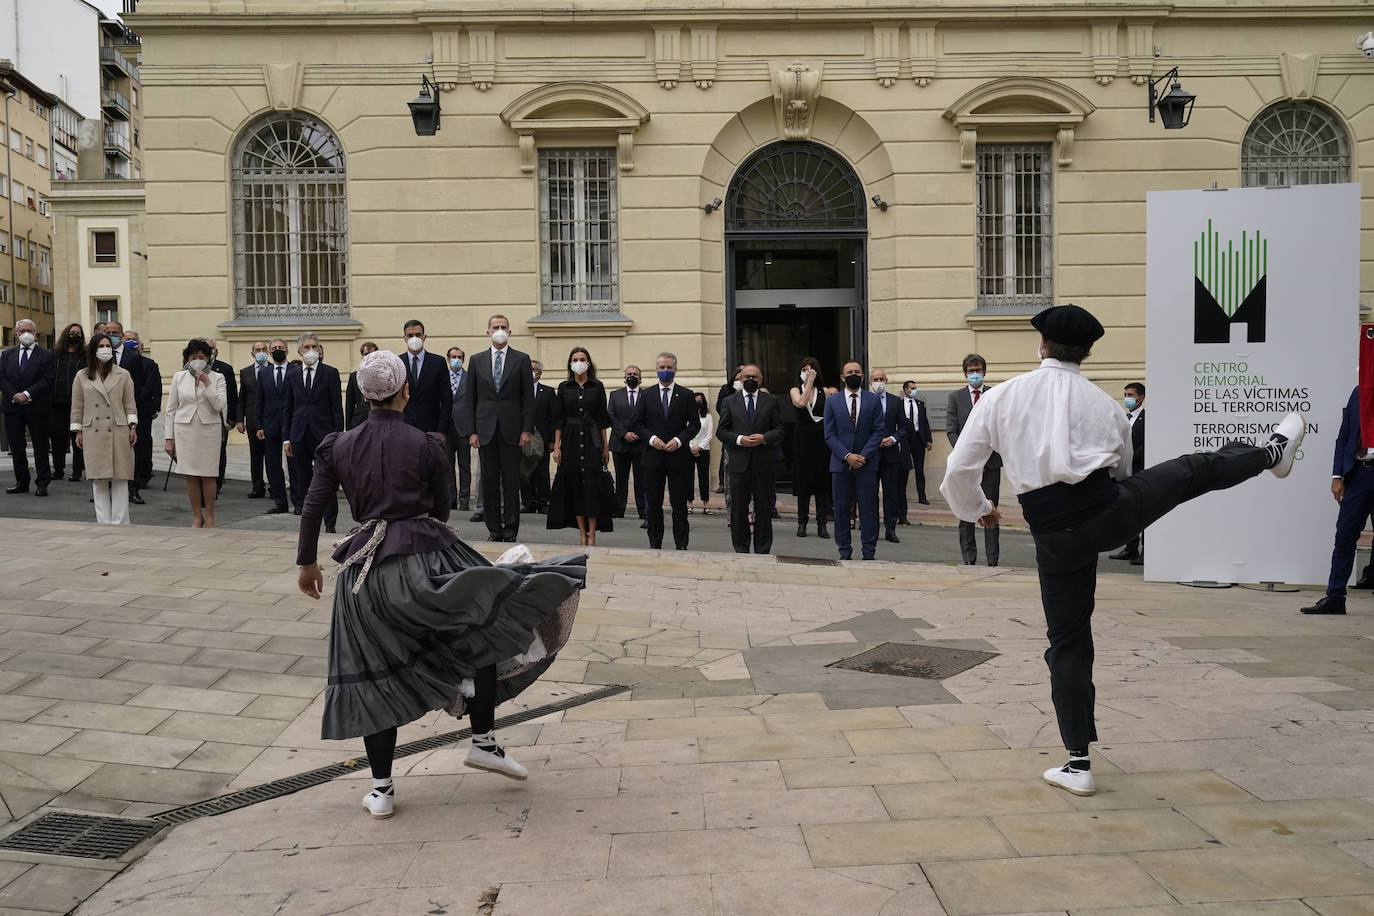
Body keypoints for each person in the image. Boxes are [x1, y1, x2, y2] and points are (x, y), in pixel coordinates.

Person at [941, 304, 1304, 796]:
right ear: (1088, 352)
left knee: (1067, 642)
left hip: (1051, 535)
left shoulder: (1001, 397)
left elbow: (958, 472)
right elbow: (1125, 473)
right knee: (1194, 470)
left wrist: (979, 508)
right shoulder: (1107, 404)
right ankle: (1269, 454)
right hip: (1107, 513)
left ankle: (1077, 762)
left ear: (1041, 344)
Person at [296, 349, 587, 820]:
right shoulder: (426, 443)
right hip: (426, 551)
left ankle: (382, 788)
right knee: (484, 627)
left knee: (374, 672)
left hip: (364, 570)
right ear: (405, 392)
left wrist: (308, 563)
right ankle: (484, 739)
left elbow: (313, 506)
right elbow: (441, 504)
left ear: (364, 396)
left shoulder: (339, 445)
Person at [459, 314, 535, 543]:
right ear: (488, 332)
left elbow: (527, 399)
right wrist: (471, 431)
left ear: (509, 332)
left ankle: (510, 529)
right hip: (485, 430)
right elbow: (470, 399)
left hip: (512, 430)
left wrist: (526, 430)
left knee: (511, 482)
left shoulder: (521, 359)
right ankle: (494, 529)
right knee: (489, 482)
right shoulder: (477, 360)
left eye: (503, 327)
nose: (499, 330)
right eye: (495, 327)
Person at [1303, 383, 1372, 616]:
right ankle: (1335, 597)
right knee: (1344, 535)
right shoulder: (1359, 391)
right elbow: (1344, 437)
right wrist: (1337, 475)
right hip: (1359, 474)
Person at [548, 347, 615, 546]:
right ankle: (581, 532)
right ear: (570, 363)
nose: (579, 362)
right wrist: (557, 447)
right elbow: (559, 420)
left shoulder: (597, 386)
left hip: (592, 440)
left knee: (592, 486)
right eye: (575, 359)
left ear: (588, 362)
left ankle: (592, 533)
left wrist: (605, 447)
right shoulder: (564, 387)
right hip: (570, 440)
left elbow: (602, 419)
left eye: (582, 359)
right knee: (575, 485)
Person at [634, 352, 700, 551]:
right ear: (656, 369)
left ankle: (681, 544)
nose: (665, 371)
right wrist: (652, 439)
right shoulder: (646, 394)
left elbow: (694, 425)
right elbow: (637, 423)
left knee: (679, 505)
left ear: (675, 369)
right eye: (662, 368)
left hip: (678, 458)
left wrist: (679, 440)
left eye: (669, 368)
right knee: (653, 504)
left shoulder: (686, 395)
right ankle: (655, 543)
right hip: (652, 457)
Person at [717, 363, 784, 554]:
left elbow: (780, 429)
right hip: (739, 463)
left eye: (754, 377)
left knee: (763, 508)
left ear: (761, 379)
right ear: (739, 379)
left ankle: (763, 548)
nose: (750, 380)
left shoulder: (771, 400)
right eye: (746, 377)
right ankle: (741, 548)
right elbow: (721, 431)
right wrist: (739, 439)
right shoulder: (729, 401)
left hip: (763, 463)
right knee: (738, 509)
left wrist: (764, 438)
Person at [70, 333, 137, 524]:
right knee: (98, 479)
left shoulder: (123, 374)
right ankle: (103, 522)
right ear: (93, 349)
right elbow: (77, 406)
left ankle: (120, 522)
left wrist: (132, 427)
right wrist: (78, 431)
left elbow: (129, 404)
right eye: (101, 346)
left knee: (120, 478)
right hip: (93, 431)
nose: (105, 349)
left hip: (119, 429)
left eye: (108, 345)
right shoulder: (81, 376)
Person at [165, 339, 229, 528]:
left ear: (208, 359)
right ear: (187, 359)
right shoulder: (179, 377)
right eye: (194, 357)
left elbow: (219, 404)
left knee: (209, 475)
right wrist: (169, 438)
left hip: (209, 429)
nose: (198, 360)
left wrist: (207, 382)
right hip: (185, 429)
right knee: (190, 475)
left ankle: (210, 517)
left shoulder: (218, 378)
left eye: (202, 357)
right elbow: (171, 409)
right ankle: (196, 516)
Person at [284, 333, 344, 533]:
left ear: (319, 349)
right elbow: (288, 408)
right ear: (299, 351)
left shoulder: (330, 373)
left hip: (324, 434)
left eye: (314, 347)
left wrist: (337, 436)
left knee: (326, 479)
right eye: (307, 347)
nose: (311, 351)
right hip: (299, 434)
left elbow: (337, 407)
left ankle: (330, 524)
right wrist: (287, 438)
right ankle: (309, 521)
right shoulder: (292, 375)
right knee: (303, 479)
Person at [824, 361, 883, 561]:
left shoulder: (873, 401)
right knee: (841, 509)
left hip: (867, 464)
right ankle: (844, 551)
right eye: (849, 372)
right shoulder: (832, 402)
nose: (853, 375)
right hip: (840, 464)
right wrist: (847, 455)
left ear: (863, 376)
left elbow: (878, 431)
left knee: (868, 509)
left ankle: (869, 552)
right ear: (842, 377)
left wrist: (863, 455)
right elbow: (829, 434)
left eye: (857, 372)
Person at [946, 354, 1001, 567]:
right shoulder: (955, 397)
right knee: (966, 511)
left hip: (991, 463)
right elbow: (952, 430)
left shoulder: (994, 395)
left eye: (978, 370)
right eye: (971, 371)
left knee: (990, 509)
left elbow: (999, 426)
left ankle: (992, 559)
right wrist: (965, 453)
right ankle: (969, 559)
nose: (975, 374)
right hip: (965, 467)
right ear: (965, 373)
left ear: (984, 372)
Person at [0, 319, 56, 497]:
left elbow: (48, 380)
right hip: (13, 406)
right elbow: (1, 377)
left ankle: (42, 483)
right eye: (22, 330)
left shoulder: (47, 355)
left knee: (40, 447)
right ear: (16, 334)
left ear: (35, 333)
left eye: (29, 330)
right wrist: (14, 395)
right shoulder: (7, 355)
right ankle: (21, 482)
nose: (26, 333)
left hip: (37, 406)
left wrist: (27, 394)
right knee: (16, 446)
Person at [113, 327, 160, 505]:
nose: (130, 342)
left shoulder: (147, 363)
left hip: (140, 410)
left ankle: (139, 479)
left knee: (140, 446)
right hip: (118, 412)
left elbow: (149, 386)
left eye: (133, 339)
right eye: (127, 339)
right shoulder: (113, 361)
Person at [790, 358, 834, 539]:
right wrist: (808, 383)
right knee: (804, 483)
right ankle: (802, 522)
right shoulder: (795, 390)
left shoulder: (824, 391)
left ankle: (822, 523)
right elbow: (801, 403)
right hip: (803, 439)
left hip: (821, 439)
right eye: (804, 369)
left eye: (811, 369)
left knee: (821, 483)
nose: (807, 372)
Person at [871, 368, 913, 545]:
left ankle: (890, 529)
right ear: (870, 382)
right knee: (870, 494)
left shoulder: (896, 401)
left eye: (881, 379)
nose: (879, 382)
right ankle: (872, 529)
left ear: (886, 381)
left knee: (891, 494)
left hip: (890, 454)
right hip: (871, 454)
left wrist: (894, 438)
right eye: (876, 379)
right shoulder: (865, 400)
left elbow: (904, 426)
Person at [1108, 383, 1147, 565]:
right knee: (1129, 511)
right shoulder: (1124, 418)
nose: (1127, 398)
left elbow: (1147, 444)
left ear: (1141, 397)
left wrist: (1130, 455)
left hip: (1140, 467)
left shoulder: (1147, 419)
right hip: (1125, 471)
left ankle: (1146, 551)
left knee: (1144, 511)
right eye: (1125, 394)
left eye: (1130, 395)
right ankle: (1130, 548)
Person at [256, 337, 295, 514]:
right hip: (270, 424)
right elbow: (260, 400)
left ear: (286, 350)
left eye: (281, 347)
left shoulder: (295, 370)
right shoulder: (264, 373)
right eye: (274, 348)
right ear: (269, 352)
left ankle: (299, 502)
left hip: (292, 424)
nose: (277, 350)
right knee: (273, 465)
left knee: (294, 464)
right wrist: (259, 425)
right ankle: (280, 503)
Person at [607, 364, 646, 527]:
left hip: (640, 443)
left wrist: (638, 433)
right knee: (621, 478)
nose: (632, 376)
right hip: (620, 443)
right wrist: (624, 433)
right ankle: (619, 508)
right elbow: (611, 416)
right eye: (629, 374)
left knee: (641, 479)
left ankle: (643, 510)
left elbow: (649, 417)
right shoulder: (615, 395)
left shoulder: (647, 395)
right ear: (625, 376)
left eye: (635, 374)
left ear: (640, 377)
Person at [401, 321, 452, 434]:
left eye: (418, 335)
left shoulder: (438, 362)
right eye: (410, 335)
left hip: (431, 429)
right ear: (404, 338)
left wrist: (441, 431)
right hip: (404, 428)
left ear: (424, 337)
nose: (414, 338)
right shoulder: (398, 362)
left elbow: (447, 399)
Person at [51, 323, 87, 483]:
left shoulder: (85, 356)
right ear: (66, 334)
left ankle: (77, 471)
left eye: (78, 333)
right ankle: (58, 470)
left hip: (78, 403)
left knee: (77, 437)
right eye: (72, 332)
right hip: (57, 402)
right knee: (57, 437)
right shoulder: (55, 355)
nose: (74, 335)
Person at [204, 339, 239, 496]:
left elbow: (232, 394)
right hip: (200, 417)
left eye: (212, 348)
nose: (210, 351)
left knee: (219, 451)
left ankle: (217, 482)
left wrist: (232, 418)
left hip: (219, 417)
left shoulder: (225, 368)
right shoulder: (192, 368)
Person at [523, 359, 557, 514]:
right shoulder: (519, 390)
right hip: (524, 436)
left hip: (542, 439)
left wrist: (552, 441)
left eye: (534, 369)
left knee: (542, 470)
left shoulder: (548, 392)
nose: (532, 371)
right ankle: (528, 501)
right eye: (529, 368)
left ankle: (544, 501)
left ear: (540, 373)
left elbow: (553, 417)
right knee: (525, 469)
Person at [442, 346, 472, 511]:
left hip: (464, 428)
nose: (456, 359)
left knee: (465, 466)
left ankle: (465, 499)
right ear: (448, 359)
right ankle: (451, 498)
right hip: (446, 427)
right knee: (447, 466)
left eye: (459, 357)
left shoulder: (469, 377)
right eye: (453, 356)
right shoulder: (442, 377)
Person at [238, 341, 269, 499]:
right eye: (258, 350)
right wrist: (239, 420)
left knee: (271, 456)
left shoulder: (274, 369)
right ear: (252, 353)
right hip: (252, 420)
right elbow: (242, 398)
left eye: (264, 349)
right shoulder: (245, 372)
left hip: (270, 419)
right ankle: (257, 487)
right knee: (255, 456)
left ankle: (275, 486)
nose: (261, 352)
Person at [899, 380, 933, 518]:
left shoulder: (920, 404)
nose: (914, 390)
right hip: (905, 439)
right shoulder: (899, 404)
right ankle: (902, 497)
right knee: (905, 468)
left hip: (919, 438)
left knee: (920, 469)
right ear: (905, 390)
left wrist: (929, 440)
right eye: (912, 388)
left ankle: (922, 496)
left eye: (915, 388)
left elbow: (924, 422)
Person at [715, 366, 744, 495]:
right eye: (737, 378)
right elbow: (719, 407)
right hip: (730, 427)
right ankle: (723, 482)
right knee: (726, 455)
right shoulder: (726, 390)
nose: (739, 381)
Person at [688, 392, 714, 515]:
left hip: (703, 450)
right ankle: (690, 504)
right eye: (696, 400)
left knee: (704, 477)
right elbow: (685, 433)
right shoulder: (687, 416)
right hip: (689, 450)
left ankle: (706, 505)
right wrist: (692, 447)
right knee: (688, 477)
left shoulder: (707, 416)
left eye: (700, 400)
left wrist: (699, 447)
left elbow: (709, 435)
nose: (698, 402)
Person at [345, 341, 378, 430]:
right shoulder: (354, 376)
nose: (369, 357)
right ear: (362, 356)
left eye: (372, 354)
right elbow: (349, 404)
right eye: (366, 354)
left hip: (378, 421)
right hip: (359, 422)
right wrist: (348, 428)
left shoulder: (384, 375)